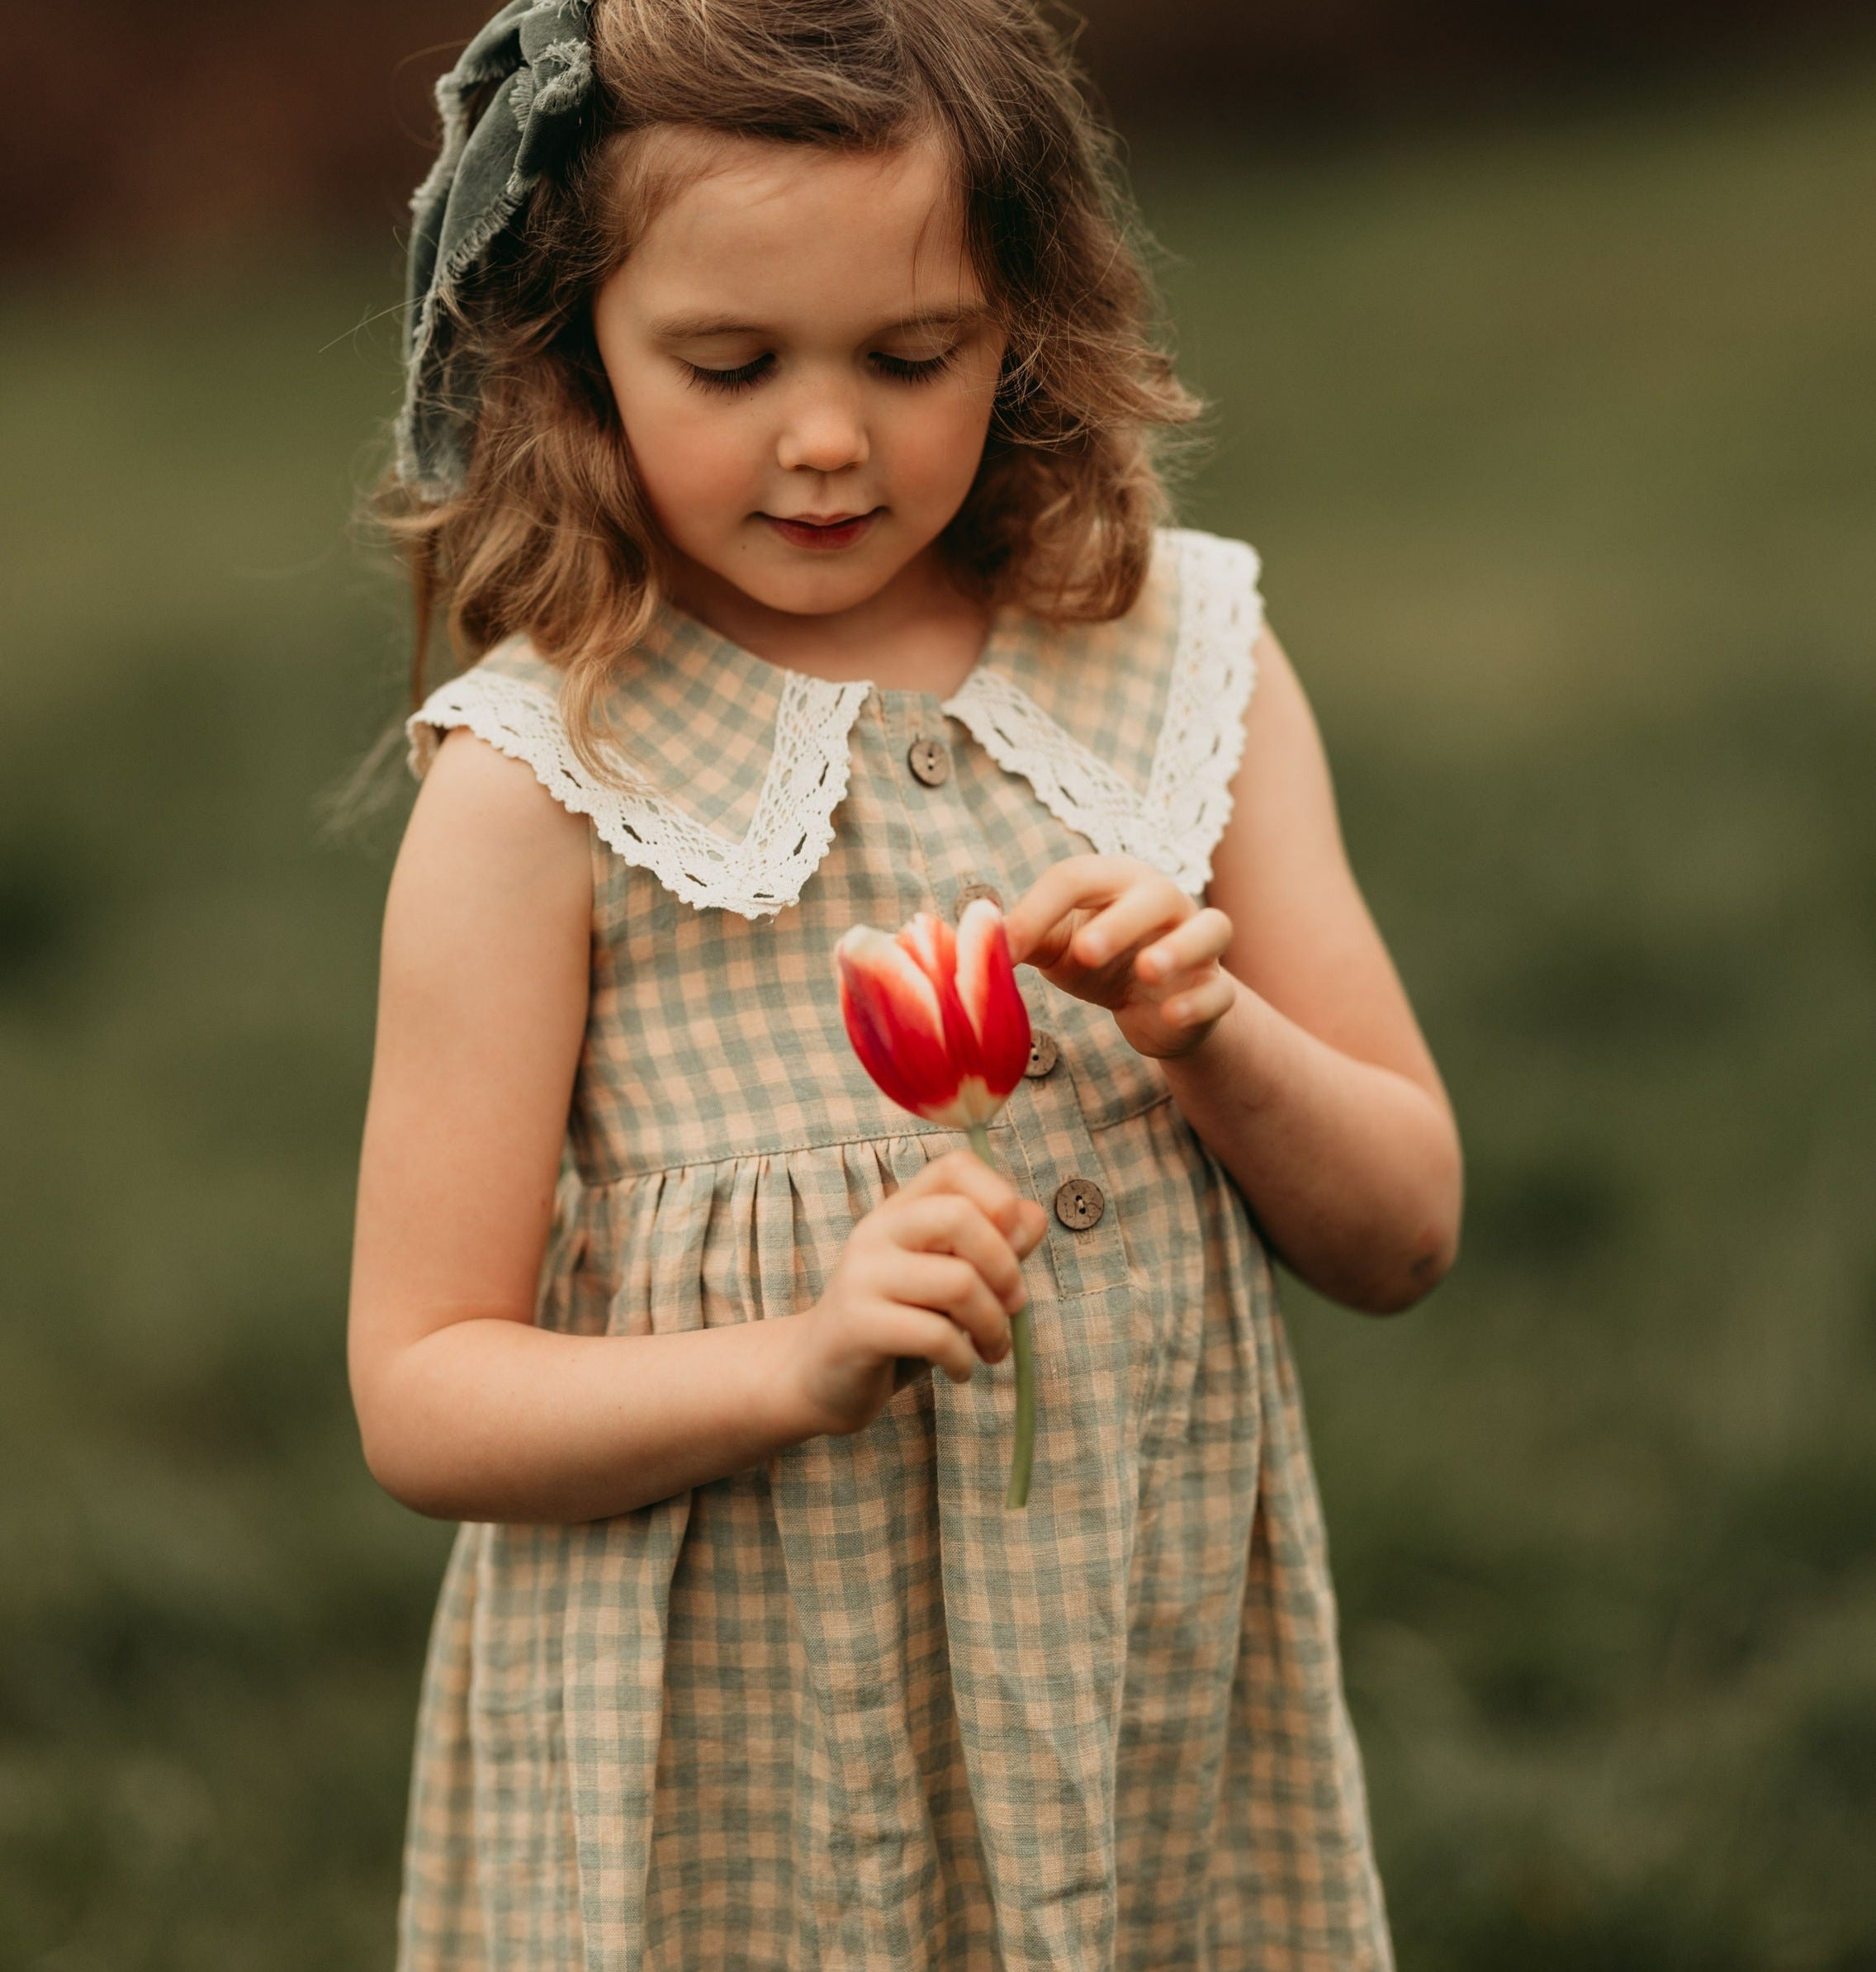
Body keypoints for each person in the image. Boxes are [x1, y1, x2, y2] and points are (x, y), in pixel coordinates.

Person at [347, 2, 1462, 1965]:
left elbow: (1404, 1235)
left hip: (1148, 1715)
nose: (828, 435)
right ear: (575, 349)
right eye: (729, 362)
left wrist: (1213, 1035)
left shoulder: (1178, 664)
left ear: (1028, 319)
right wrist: (798, 1362)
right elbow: (425, 1394)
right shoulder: (546, 792)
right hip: (749, 1780)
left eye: (911, 353)